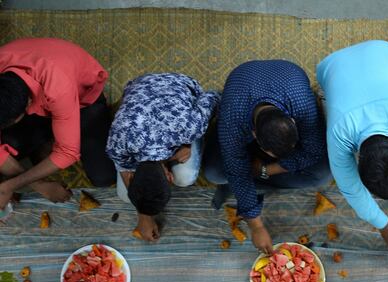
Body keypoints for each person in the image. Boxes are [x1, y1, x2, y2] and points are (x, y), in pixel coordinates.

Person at [204, 60, 331, 254]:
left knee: (323, 174)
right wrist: (257, 227)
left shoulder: (302, 105)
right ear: (254, 136)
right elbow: (236, 169)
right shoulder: (231, 121)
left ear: (292, 121)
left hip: (288, 80)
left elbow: (313, 150)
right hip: (239, 100)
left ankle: (251, 187)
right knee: (214, 173)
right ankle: (250, 188)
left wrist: (267, 169)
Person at [317, 40, 388, 252]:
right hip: (330, 65)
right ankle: (323, 96)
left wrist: (384, 225)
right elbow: (351, 189)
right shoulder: (338, 133)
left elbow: (352, 187)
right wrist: (384, 225)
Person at [0, 37, 115, 209]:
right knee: (10, 146)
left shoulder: (58, 85)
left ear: (27, 106)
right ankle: (48, 138)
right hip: (39, 102)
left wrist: (9, 186)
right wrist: (39, 185)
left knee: (103, 176)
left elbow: (68, 152)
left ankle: (49, 137)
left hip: (80, 100)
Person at [107, 73, 220, 242]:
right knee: (125, 196)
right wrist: (143, 216)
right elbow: (123, 167)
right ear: (168, 176)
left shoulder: (189, 127)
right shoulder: (116, 144)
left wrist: (189, 141)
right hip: (139, 87)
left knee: (185, 177)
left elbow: (213, 96)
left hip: (177, 83)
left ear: (169, 176)